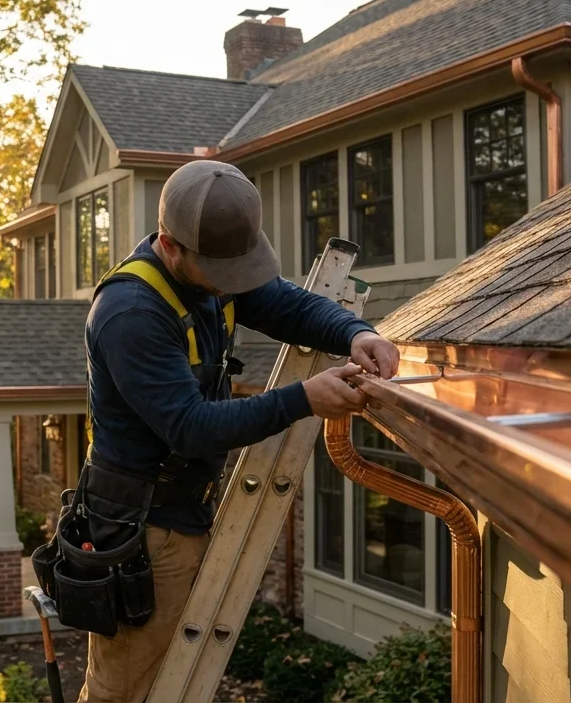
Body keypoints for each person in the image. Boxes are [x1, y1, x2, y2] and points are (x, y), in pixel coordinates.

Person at [78, 159, 399, 702]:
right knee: (125, 689)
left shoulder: (214, 269)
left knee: (171, 683)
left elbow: (284, 304)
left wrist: (354, 332)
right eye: (221, 275)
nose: (232, 287)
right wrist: (304, 398)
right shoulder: (131, 311)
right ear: (170, 245)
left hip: (185, 510)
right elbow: (190, 427)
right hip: (144, 529)